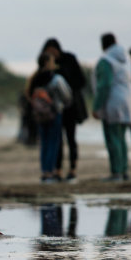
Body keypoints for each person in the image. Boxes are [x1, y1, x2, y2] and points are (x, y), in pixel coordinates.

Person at [40, 38, 88, 183]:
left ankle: (73, 169)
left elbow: (81, 81)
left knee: (71, 138)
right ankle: (58, 170)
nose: (50, 54)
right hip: (55, 109)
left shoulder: (69, 59)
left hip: (71, 107)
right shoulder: (46, 66)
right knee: (58, 140)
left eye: (51, 51)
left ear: (56, 49)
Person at [92, 33, 131, 182]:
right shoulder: (126, 60)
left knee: (112, 137)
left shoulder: (106, 60)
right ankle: (124, 171)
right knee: (122, 137)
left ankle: (116, 172)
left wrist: (97, 105)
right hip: (128, 100)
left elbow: (104, 84)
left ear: (103, 45)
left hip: (113, 102)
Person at [27, 53, 72, 183]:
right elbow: (67, 96)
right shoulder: (55, 78)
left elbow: (29, 95)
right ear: (47, 62)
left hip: (39, 114)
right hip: (54, 112)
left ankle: (44, 172)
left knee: (44, 143)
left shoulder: (34, 78)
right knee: (53, 142)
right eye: (52, 61)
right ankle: (50, 172)